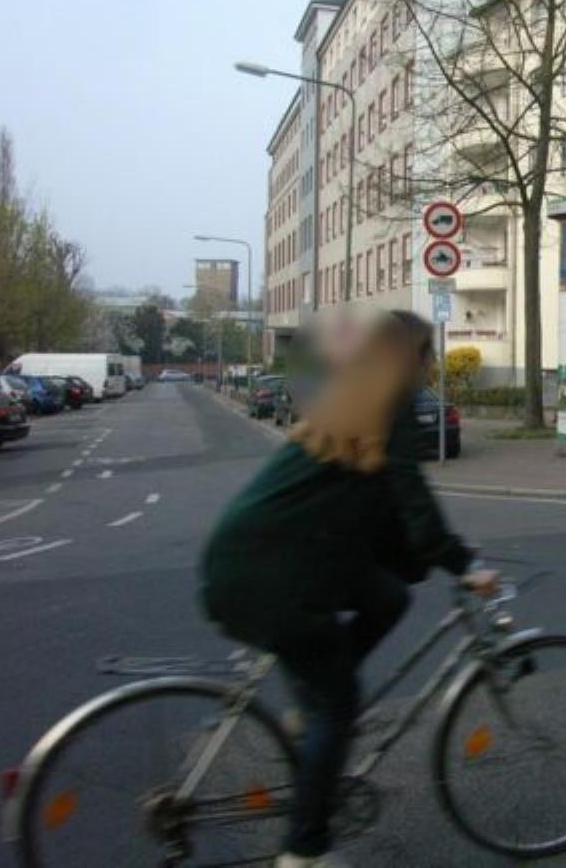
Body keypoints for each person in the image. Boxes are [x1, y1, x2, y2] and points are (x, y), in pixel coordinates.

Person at [200, 310, 496, 867]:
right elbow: (410, 495)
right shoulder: (393, 406)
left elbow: (380, 517)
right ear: (412, 359)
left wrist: (431, 557)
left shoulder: (348, 403)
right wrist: (462, 564)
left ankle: (310, 708)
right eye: (428, 355)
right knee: (339, 706)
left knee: (389, 597)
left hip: (257, 558)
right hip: (275, 575)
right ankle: (303, 853)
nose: (432, 365)